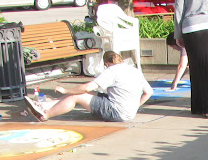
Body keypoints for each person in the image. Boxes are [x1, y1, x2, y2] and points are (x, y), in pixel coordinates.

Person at [24, 51, 152, 122]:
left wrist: (66, 90)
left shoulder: (111, 70)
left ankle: (45, 115)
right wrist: (134, 107)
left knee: (76, 96)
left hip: (116, 112)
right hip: (129, 113)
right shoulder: (134, 70)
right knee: (92, 95)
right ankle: (46, 105)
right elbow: (148, 92)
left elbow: (86, 88)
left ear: (107, 63)